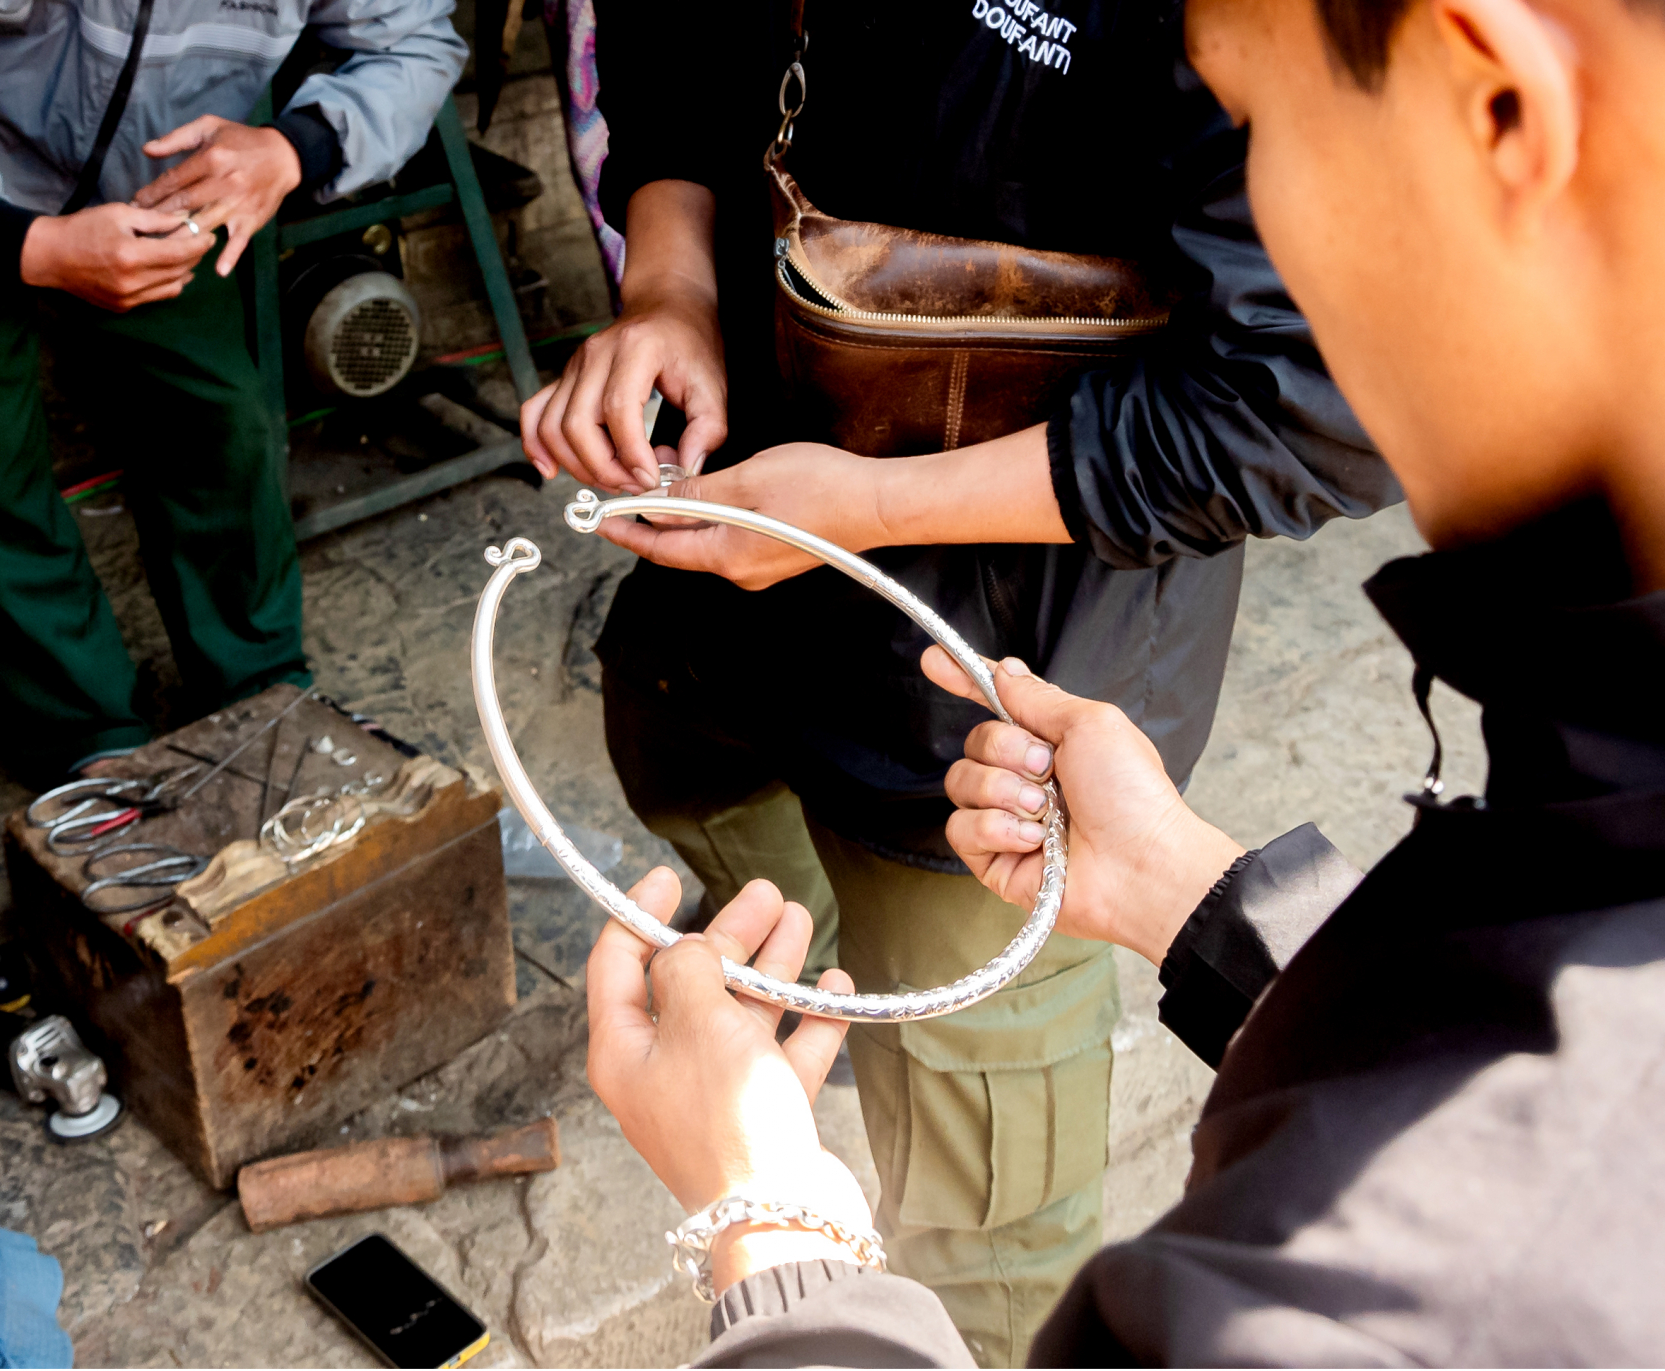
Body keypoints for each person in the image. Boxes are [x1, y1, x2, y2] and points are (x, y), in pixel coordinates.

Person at [579, 0, 1665, 1360]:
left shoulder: (1386, 1291)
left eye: (1266, 126)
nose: (1254, 228)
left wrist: (768, 1233)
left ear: (1500, 105)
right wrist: (1211, 905)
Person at [521, 7, 1396, 1357]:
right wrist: (672, 287)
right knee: (687, 766)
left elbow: (1307, 410)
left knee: (984, 1232)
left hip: (996, 684)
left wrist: (866, 509)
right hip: (730, 551)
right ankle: (815, 1000)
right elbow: (677, 39)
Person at [0, 0, 466, 780]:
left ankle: (258, 691)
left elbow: (418, 42)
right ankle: (81, 737)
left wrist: (293, 149)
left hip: (164, 201)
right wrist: (26, 244)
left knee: (218, 430)